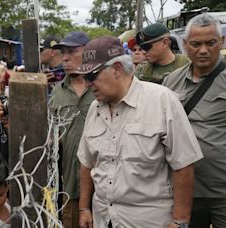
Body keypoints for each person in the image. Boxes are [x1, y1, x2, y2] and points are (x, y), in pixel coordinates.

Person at [75, 36, 203, 228]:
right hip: (104, 218)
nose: (87, 84)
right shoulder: (95, 108)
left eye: (91, 76)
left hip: (146, 220)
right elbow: (86, 163)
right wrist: (84, 208)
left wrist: (180, 221)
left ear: (117, 69)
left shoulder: (162, 101)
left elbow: (184, 165)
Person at [162, 13, 226, 228]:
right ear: (185, 44)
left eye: (211, 43)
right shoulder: (171, 81)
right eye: (196, 44)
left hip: (222, 191)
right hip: (184, 190)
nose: (203, 50)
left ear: (222, 42)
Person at [49, 31, 93, 228]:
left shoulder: (103, 85)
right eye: (63, 52)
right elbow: (52, 131)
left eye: (72, 51)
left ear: (89, 53)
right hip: (71, 186)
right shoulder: (58, 91)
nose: (64, 57)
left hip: (104, 184)